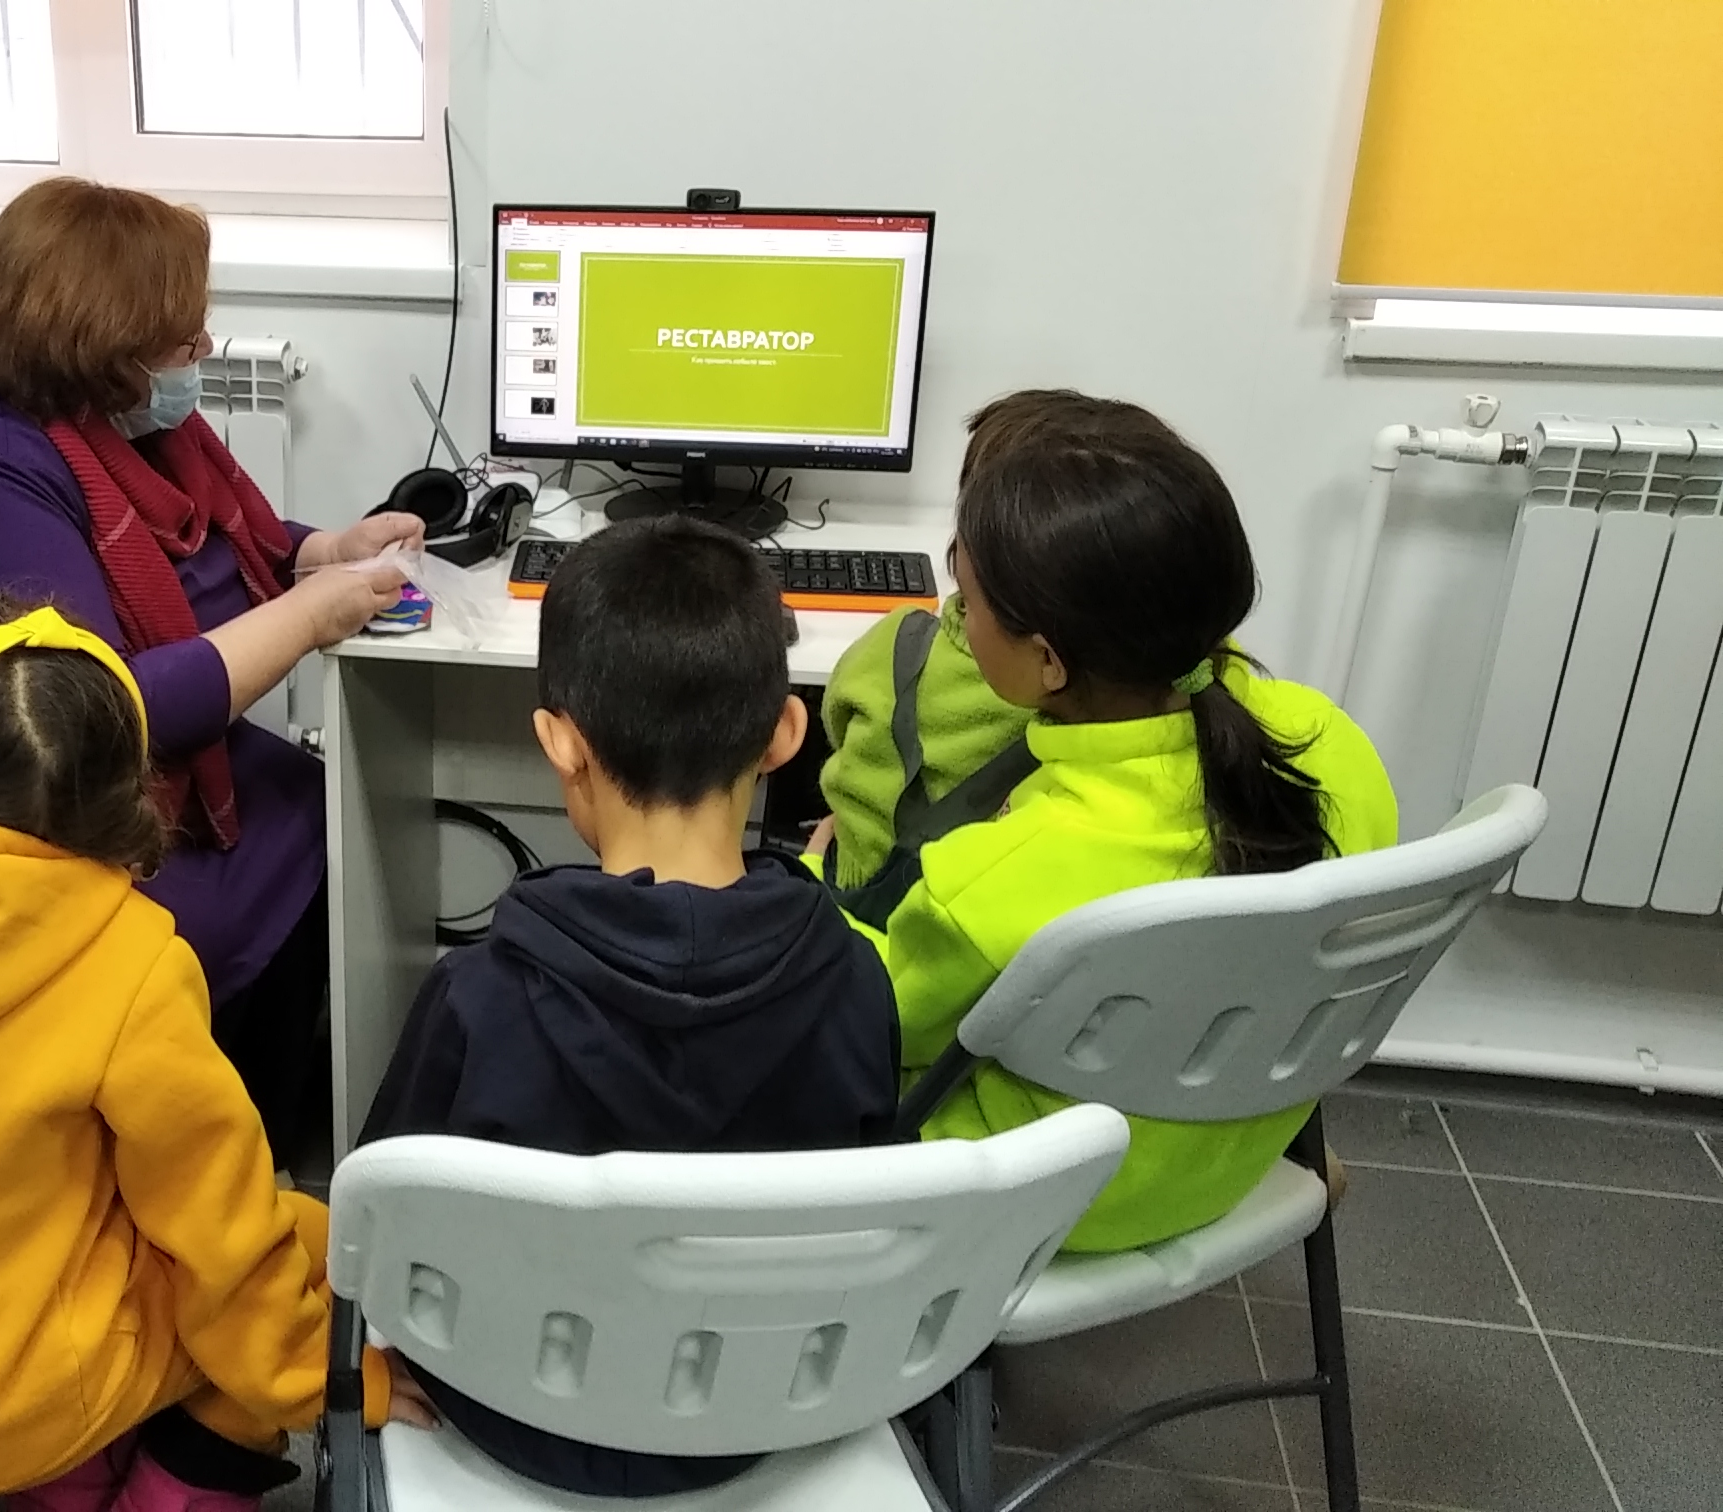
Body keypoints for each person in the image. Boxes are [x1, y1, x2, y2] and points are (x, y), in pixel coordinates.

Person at [0, 177, 419, 1163]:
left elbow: (206, 547)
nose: (202, 350)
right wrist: (309, 614)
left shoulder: (95, 422)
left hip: (70, 766)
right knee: (213, 903)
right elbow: (102, 710)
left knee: (323, 812)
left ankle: (248, 1128)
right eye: (181, 338)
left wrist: (320, 552)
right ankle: (171, 1146)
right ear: (100, 346)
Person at [0, 595, 410, 1512]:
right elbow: (221, 1233)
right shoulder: (129, 962)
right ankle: (156, 1492)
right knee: (294, 1253)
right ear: (136, 796)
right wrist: (326, 1382)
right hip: (14, 1412)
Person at [360, 517, 902, 1499]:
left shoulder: (474, 998)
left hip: (510, 1406)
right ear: (786, 734)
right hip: (757, 1409)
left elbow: (386, 1227)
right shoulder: (857, 980)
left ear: (559, 743)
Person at [868, 420, 1397, 1253]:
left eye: (968, 603)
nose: (960, 619)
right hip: (1240, 1151)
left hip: (1052, 1194)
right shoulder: (1334, 742)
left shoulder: (988, 883)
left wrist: (812, 890)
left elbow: (877, 1023)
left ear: (1048, 661)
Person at [814, 390, 1177, 927]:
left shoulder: (900, 649)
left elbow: (836, 724)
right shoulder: (1174, 696)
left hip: (877, 932)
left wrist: (807, 866)